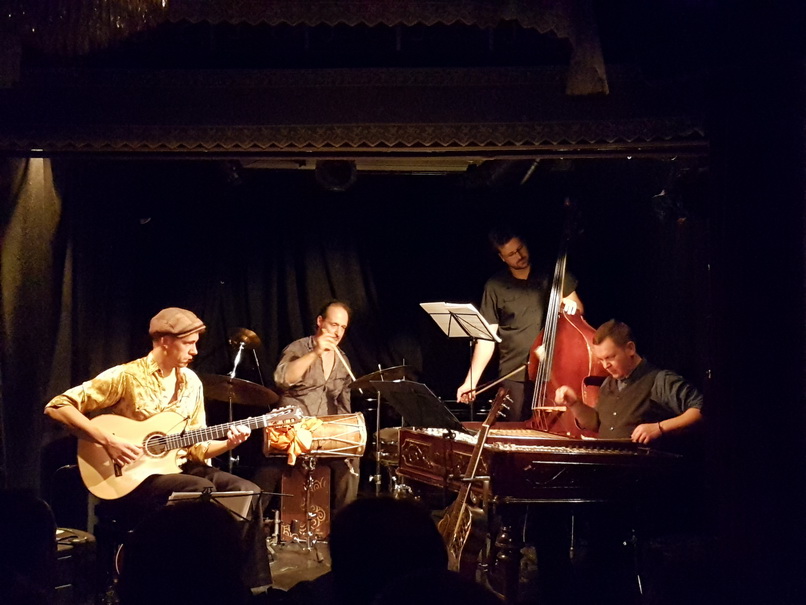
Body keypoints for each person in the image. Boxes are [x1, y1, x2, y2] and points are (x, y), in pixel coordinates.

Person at [43, 307, 272, 591]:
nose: (195, 351)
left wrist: (229, 443)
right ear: (165, 341)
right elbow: (57, 406)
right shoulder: (126, 376)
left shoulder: (191, 383)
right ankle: (186, 583)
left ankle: (246, 587)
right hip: (131, 477)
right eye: (188, 343)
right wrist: (108, 441)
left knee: (247, 491)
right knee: (199, 489)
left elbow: (198, 448)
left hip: (176, 468)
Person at [457, 226, 583, 421]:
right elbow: (486, 339)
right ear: (502, 258)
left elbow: (578, 309)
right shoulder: (495, 286)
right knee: (515, 430)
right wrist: (471, 381)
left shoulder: (553, 274)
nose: (519, 256)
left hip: (553, 371)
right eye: (511, 254)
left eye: (520, 248)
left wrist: (570, 307)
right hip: (513, 374)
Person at [255, 300, 359, 514]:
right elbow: (283, 379)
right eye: (334, 325)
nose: (338, 332)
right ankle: (250, 522)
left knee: (351, 462)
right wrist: (316, 353)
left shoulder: (343, 360)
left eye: (343, 327)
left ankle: (344, 522)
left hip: (324, 433)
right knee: (269, 469)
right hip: (292, 427)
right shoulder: (299, 348)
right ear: (320, 321)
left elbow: (344, 405)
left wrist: (349, 434)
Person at [554, 319, 704, 442]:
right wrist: (575, 403)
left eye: (610, 357)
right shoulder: (608, 384)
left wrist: (659, 427)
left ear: (630, 349)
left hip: (645, 467)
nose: (605, 365)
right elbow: (596, 424)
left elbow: (702, 410)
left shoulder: (660, 380)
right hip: (609, 465)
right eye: (601, 359)